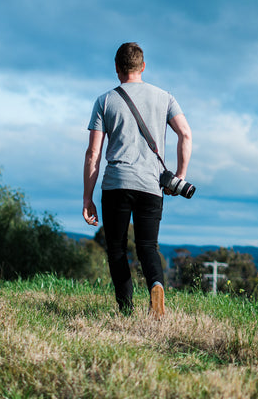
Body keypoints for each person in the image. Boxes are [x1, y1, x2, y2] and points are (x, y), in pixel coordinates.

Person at [82, 42, 192, 318]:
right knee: (147, 247)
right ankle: (156, 285)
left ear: (117, 69)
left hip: (116, 183)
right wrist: (179, 176)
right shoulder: (165, 98)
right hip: (151, 184)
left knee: (117, 248)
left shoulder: (105, 100)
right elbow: (186, 134)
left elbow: (93, 153)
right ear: (143, 67)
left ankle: (126, 310)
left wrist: (87, 197)